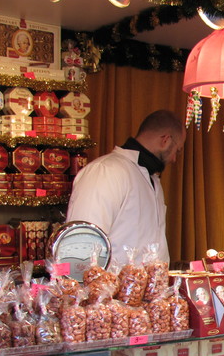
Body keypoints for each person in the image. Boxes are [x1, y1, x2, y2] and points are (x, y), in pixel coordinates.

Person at [66, 110, 185, 264]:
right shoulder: (105, 171)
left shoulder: (152, 179)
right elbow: (81, 247)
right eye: (178, 150)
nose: (175, 159)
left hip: (149, 286)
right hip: (112, 287)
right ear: (166, 140)